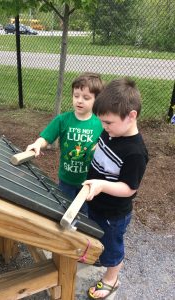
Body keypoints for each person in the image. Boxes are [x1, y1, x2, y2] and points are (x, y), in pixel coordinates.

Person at [83, 78, 149, 299]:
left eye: (108, 122)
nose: (104, 127)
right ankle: (98, 256)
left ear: (131, 116)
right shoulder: (112, 132)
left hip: (114, 213)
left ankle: (111, 279)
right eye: (102, 122)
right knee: (95, 234)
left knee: (113, 246)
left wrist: (101, 185)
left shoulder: (135, 153)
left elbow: (129, 188)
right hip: (97, 202)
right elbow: (104, 144)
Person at [26, 72, 105, 213]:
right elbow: (46, 137)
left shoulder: (100, 124)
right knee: (63, 211)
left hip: (88, 182)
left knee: (85, 217)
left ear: (96, 100)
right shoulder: (63, 120)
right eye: (76, 96)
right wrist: (37, 144)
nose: (79, 101)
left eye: (86, 98)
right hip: (66, 180)